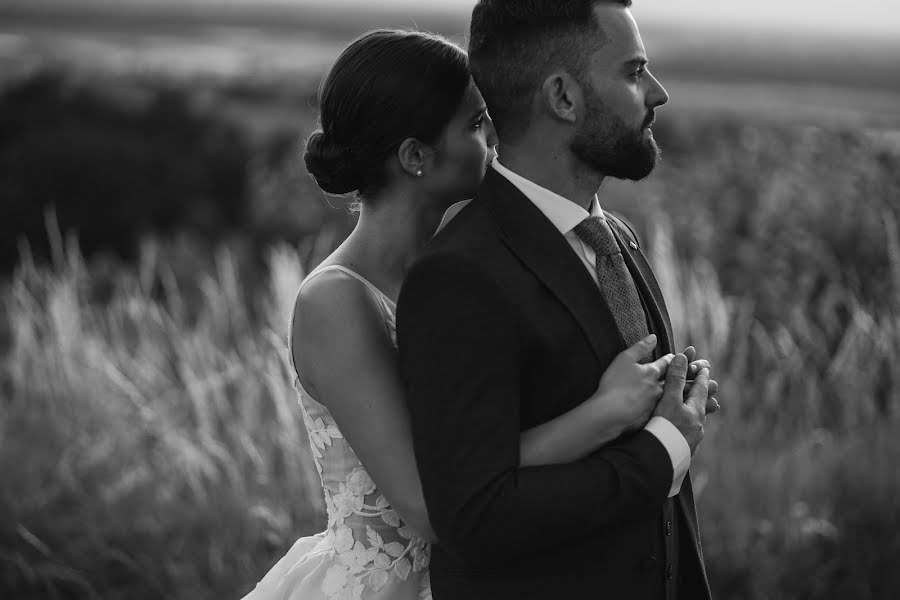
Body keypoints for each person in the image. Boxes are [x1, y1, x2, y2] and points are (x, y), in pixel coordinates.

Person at [240, 25, 717, 600]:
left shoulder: (472, 266)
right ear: (416, 156)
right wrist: (605, 414)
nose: (495, 133)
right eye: (473, 122)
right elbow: (433, 503)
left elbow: (474, 455)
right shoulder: (336, 301)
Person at [396, 1, 718, 599]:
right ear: (563, 98)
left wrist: (677, 405)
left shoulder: (616, 237)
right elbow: (476, 517)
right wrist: (665, 446)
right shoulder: (460, 275)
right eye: (633, 71)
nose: (658, 92)